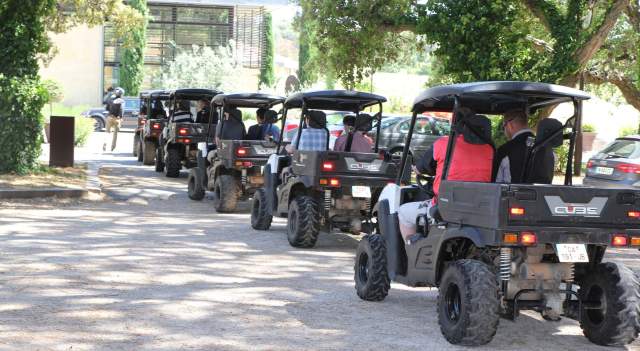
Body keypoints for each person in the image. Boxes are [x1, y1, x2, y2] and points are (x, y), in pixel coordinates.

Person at [397, 109, 494, 245]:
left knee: (403, 212)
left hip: (447, 208)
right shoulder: (489, 149)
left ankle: (411, 250)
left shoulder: (443, 143)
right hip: (479, 209)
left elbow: (420, 169)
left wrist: (417, 169)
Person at [494, 109, 534, 183]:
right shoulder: (545, 147)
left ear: (510, 125)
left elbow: (497, 183)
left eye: (504, 127)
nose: (504, 131)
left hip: (512, 194)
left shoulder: (504, 150)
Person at [103, 87, 125, 152]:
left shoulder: (110, 99)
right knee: (115, 134)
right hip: (117, 119)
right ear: (121, 94)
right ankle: (112, 147)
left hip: (109, 117)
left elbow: (106, 108)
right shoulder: (122, 101)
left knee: (107, 132)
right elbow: (121, 110)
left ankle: (105, 144)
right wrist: (120, 117)